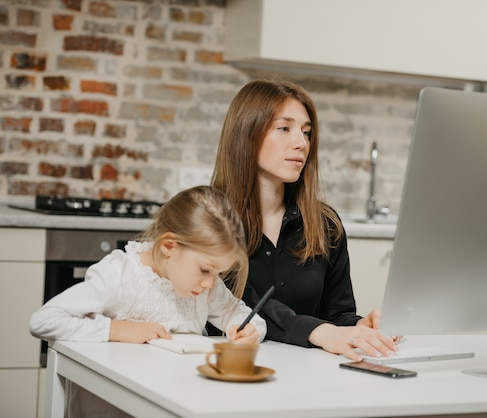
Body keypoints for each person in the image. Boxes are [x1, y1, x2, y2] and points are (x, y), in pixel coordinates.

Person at [30, 185, 266, 417]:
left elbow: (245, 317)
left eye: (218, 274)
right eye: (205, 270)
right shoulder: (120, 276)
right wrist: (115, 329)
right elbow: (44, 320)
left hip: (170, 403)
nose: (211, 283)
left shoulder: (206, 288)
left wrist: (248, 330)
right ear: (169, 246)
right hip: (106, 407)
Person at [210, 79, 398, 361]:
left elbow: (335, 315)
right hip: (231, 370)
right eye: (284, 128)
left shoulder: (325, 224)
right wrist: (321, 332)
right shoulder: (209, 219)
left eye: (306, 132)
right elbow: (240, 307)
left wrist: (359, 327)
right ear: (246, 134)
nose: (301, 143)